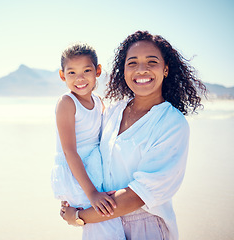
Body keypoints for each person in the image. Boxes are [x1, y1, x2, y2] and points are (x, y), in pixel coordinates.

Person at [60, 31, 207, 240]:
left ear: (165, 69)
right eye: (133, 63)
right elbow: (85, 151)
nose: (141, 70)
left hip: (143, 227)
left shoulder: (171, 123)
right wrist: (72, 193)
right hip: (102, 226)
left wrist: (79, 216)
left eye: (152, 62)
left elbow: (138, 195)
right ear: (124, 70)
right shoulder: (111, 112)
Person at [51, 43, 125, 240]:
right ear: (62, 75)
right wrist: (92, 192)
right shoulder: (67, 103)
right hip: (78, 173)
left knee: (108, 224)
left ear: (98, 71)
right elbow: (69, 151)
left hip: (94, 169)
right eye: (72, 73)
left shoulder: (99, 101)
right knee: (103, 224)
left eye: (86, 70)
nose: (80, 78)